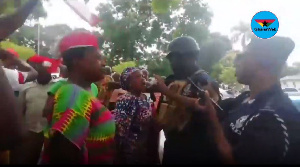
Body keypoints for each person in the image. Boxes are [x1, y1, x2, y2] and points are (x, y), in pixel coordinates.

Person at [197, 36, 300, 164]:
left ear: (263, 62)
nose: (236, 62)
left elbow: (233, 160)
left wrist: (211, 118)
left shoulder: (274, 117)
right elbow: (216, 108)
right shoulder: (244, 98)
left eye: (242, 56)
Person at [39, 31, 115, 164]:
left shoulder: (84, 91)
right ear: (77, 60)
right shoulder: (74, 93)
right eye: (97, 57)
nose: (103, 63)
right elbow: (64, 156)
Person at [157, 36, 222, 164]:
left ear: (186, 57)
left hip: (195, 151)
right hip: (173, 146)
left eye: (173, 59)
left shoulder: (204, 81)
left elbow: (206, 107)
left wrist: (166, 91)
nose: (171, 63)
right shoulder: (175, 79)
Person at [10, 56, 54, 164]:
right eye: (32, 67)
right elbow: (20, 112)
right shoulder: (26, 87)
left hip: (51, 134)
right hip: (30, 132)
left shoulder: (58, 87)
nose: (34, 70)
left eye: (36, 66)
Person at [114, 67, 161, 164]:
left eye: (143, 76)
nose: (143, 78)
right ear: (129, 82)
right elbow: (120, 128)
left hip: (144, 147)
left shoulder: (145, 98)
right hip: (131, 150)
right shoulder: (126, 99)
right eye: (138, 76)